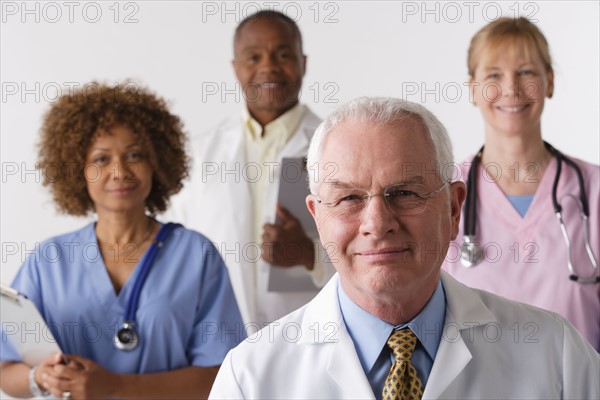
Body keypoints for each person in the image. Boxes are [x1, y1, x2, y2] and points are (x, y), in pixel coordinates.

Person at [209, 97, 599, 400]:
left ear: (453, 207)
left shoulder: (556, 355)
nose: (378, 223)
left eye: (405, 193)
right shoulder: (250, 378)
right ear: (317, 216)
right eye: (348, 199)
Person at [0, 82, 245, 399]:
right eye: (101, 159)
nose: (119, 171)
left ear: (156, 163)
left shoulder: (196, 255)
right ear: (77, 169)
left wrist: (116, 386)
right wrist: (40, 377)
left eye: (135, 155)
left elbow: (224, 375)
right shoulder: (49, 260)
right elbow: (7, 367)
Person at [441, 17, 599, 351]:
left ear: (550, 82)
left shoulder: (595, 192)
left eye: (526, 72)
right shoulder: (443, 194)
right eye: (494, 75)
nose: (511, 89)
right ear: (473, 89)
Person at [169, 10, 334, 328]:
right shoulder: (198, 154)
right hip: (218, 338)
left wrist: (310, 255)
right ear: (235, 68)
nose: (268, 67)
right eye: (253, 56)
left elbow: (369, 249)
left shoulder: (337, 147)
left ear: (304, 63)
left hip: (312, 333)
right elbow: (178, 253)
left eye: (283, 54)